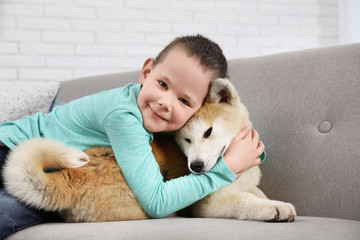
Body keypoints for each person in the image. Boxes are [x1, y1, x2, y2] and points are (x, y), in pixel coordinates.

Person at [0, 34, 265, 238]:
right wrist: (226, 169)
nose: (165, 103)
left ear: (198, 109)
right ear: (146, 72)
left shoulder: (167, 121)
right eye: (162, 84)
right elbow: (157, 202)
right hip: (8, 149)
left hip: (39, 158)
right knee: (15, 213)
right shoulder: (123, 117)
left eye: (184, 100)